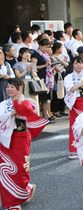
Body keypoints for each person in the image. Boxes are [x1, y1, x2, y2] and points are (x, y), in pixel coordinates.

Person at [0, 78, 48, 210]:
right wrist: (12, 112)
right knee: (6, 169)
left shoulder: (29, 102)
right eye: (8, 87)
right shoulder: (3, 104)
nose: (9, 89)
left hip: (20, 137)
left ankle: (25, 190)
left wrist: (17, 108)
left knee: (20, 169)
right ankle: (11, 203)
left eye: (12, 87)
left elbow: (27, 110)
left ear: (20, 88)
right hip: (4, 138)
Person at [31, 38, 55, 120]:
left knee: (46, 98)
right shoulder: (36, 54)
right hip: (40, 78)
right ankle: (38, 115)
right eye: (45, 47)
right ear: (40, 46)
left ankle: (45, 115)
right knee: (40, 98)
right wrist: (44, 65)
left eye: (48, 47)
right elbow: (33, 67)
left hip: (47, 79)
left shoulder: (46, 54)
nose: (46, 49)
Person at [50, 42, 69, 118]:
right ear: (57, 49)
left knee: (63, 91)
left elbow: (67, 64)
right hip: (57, 75)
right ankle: (56, 110)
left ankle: (62, 109)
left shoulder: (63, 56)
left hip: (63, 74)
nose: (62, 49)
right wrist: (62, 65)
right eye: (61, 48)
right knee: (57, 92)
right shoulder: (52, 57)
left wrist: (61, 62)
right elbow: (56, 68)